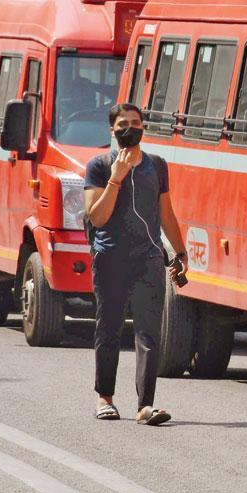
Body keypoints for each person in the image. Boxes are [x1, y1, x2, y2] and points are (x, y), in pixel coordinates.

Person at [83, 103, 188, 425]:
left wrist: (181, 254)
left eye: (136, 122)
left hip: (149, 257)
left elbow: (166, 214)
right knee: (109, 329)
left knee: (148, 332)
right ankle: (105, 398)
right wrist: (117, 177)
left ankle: (146, 405)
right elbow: (97, 217)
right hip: (111, 257)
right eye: (123, 123)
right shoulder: (99, 165)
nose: (131, 128)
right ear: (112, 131)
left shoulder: (157, 166)